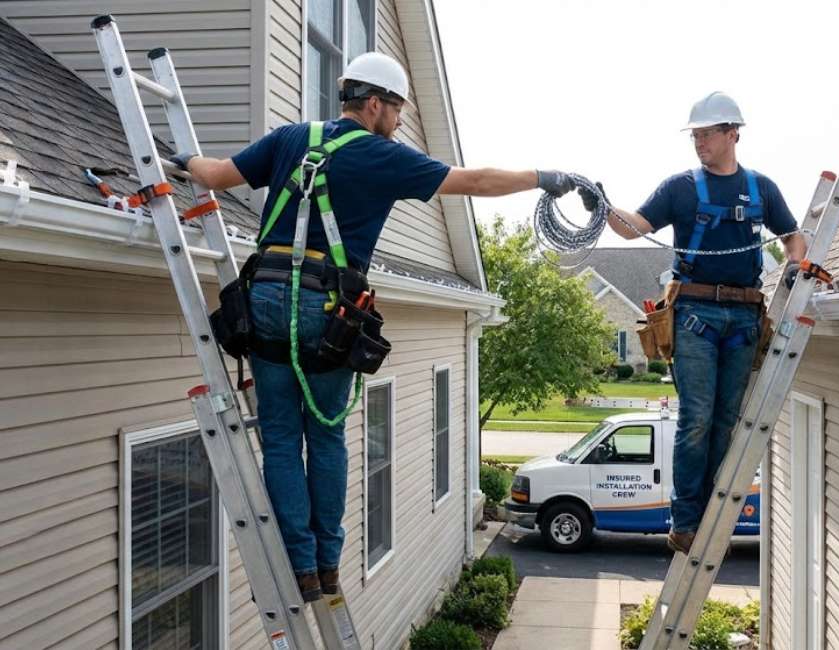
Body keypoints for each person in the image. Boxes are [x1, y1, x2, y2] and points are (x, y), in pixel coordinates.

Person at [172, 51, 575, 600]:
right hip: (327, 312)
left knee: (283, 439)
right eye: (398, 109)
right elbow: (473, 180)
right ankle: (327, 564)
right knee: (327, 435)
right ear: (374, 104)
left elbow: (216, 175)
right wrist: (543, 177)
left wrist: (183, 159)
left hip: (264, 298)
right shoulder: (382, 157)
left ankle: (300, 566)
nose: (401, 121)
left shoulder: (291, 137)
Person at [580, 92, 805, 553]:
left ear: (732, 134)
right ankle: (685, 520)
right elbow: (634, 227)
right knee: (697, 419)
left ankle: (713, 510)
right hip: (696, 316)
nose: (699, 142)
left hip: (744, 317)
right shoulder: (680, 188)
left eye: (706, 134)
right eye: (695, 135)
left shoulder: (762, 189)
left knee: (727, 420)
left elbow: (793, 237)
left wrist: (797, 265)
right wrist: (601, 206)